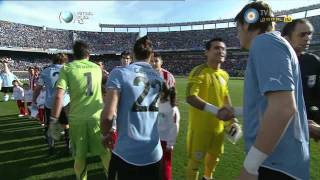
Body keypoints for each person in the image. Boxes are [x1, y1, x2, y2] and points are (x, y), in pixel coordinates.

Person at [234, 1, 309, 179]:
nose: (237, 35)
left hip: (275, 165)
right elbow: (270, 107)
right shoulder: (274, 43)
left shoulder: (264, 42)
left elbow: (283, 108)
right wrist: (234, 111)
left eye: (237, 29)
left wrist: (250, 166)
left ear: (246, 24)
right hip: (281, 162)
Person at [101, 36, 162, 180]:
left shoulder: (119, 73)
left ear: (133, 54)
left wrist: (104, 134)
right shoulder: (159, 78)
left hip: (127, 152)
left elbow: (108, 115)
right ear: (151, 56)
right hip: (154, 152)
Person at [50, 41, 110, 180]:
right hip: (97, 117)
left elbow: (59, 96)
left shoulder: (67, 68)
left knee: (80, 156)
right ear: (88, 54)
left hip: (76, 120)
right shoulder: (97, 68)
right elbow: (107, 89)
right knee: (105, 153)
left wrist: (53, 120)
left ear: (74, 55)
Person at [185, 38, 236, 180]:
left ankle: (207, 178)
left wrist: (232, 120)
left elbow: (225, 97)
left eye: (223, 49)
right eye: (217, 48)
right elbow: (190, 97)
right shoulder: (199, 71)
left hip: (218, 128)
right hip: (200, 128)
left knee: (214, 159)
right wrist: (216, 111)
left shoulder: (224, 75)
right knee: (195, 162)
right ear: (206, 52)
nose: (221, 51)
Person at [282, 19, 320, 124]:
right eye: (302, 34)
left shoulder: (314, 61)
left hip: (307, 125)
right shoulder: (276, 63)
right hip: (281, 127)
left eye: (309, 34)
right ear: (287, 38)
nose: (308, 38)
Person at [33, 53, 70, 155]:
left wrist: (34, 99)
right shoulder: (68, 70)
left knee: (50, 125)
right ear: (65, 60)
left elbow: (38, 88)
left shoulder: (45, 71)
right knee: (66, 125)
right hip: (64, 102)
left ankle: (51, 147)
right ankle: (68, 146)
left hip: (50, 103)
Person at [151, 53, 180, 180]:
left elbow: (172, 95)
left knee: (164, 162)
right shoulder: (145, 74)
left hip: (163, 113)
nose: (153, 63)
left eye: (156, 60)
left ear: (161, 62)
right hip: (151, 117)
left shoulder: (168, 76)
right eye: (151, 61)